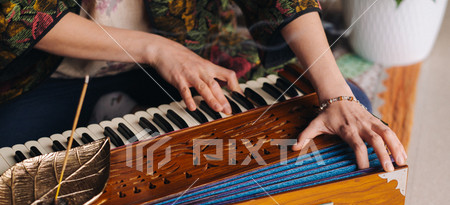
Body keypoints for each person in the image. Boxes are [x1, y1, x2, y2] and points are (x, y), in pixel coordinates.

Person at [0, 0, 406, 172]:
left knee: (346, 134)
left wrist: (336, 95)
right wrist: (156, 50)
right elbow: (21, 12)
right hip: (52, 73)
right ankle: (118, 114)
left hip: (193, 54)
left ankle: (121, 116)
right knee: (13, 172)